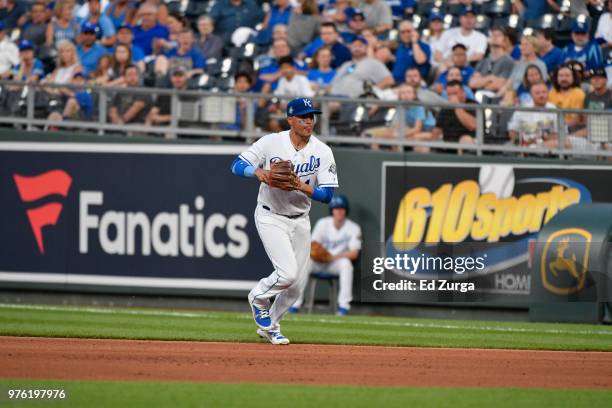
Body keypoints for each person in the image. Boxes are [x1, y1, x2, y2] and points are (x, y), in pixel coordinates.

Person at [230, 97, 338, 345]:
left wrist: (302, 186)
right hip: (270, 215)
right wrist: (257, 172)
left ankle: (271, 327)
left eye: (312, 117)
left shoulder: (322, 151)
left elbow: (328, 195)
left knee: (296, 287)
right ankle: (258, 298)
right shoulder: (271, 142)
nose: (309, 122)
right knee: (287, 274)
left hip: (300, 219)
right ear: (290, 119)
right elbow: (236, 165)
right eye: (303, 117)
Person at [289, 195, 361, 315]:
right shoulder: (323, 224)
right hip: (318, 262)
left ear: (346, 210)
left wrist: (332, 257)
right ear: (332, 210)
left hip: (335, 264)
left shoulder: (353, 228)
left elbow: (354, 253)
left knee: (346, 264)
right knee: (303, 262)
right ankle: (295, 304)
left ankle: (344, 306)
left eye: (342, 209)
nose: (339, 212)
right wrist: (319, 255)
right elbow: (313, 244)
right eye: (336, 209)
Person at [365, 83, 436, 153]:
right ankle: (382, 156)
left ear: (414, 95)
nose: (406, 95)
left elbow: (417, 129)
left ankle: (399, 156)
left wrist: (399, 135)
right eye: (403, 93)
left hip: (430, 132)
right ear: (399, 96)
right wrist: (391, 133)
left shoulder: (419, 107)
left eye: (409, 92)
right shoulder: (400, 106)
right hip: (412, 129)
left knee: (410, 137)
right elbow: (397, 125)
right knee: (384, 136)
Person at [329, 36, 394, 98]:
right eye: (354, 46)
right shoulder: (346, 64)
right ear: (350, 48)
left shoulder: (373, 63)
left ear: (366, 48)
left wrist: (372, 91)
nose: (357, 48)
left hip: (354, 101)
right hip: (333, 96)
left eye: (360, 46)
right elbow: (332, 84)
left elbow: (389, 80)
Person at [507, 80, 559, 148]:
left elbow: (558, 133)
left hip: (546, 145)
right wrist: (520, 144)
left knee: (565, 142)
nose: (541, 95)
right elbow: (512, 131)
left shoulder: (554, 109)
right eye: (537, 93)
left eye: (544, 92)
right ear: (531, 95)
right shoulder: (522, 110)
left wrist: (539, 140)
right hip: (523, 146)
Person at [432, 80, 478, 152]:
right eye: (449, 94)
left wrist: (457, 106)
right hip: (448, 141)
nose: (452, 97)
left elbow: (472, 125)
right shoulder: (445, 109)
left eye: (454, 94)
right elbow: (437, 131)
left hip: (471, 140)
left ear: (462, 92)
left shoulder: (473, 105)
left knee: (465, 140)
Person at [469, 26, 516, 93]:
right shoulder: (483, 61)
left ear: (505, 41)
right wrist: (490, 78)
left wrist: (481, 81)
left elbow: (499, 85)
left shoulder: (509, 62)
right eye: (492, 35)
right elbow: (472, 83)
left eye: (499, 35)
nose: (495, 37)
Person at [548, 64, 585, 131]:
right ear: (556, 78)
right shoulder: (551, 93)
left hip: (572, 130)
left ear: (573, 78)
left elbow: (576, 119)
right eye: (561, 76)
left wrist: (558, 127)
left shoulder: (579, 93)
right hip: (552, 129)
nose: (564, 78)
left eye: (567, 75)